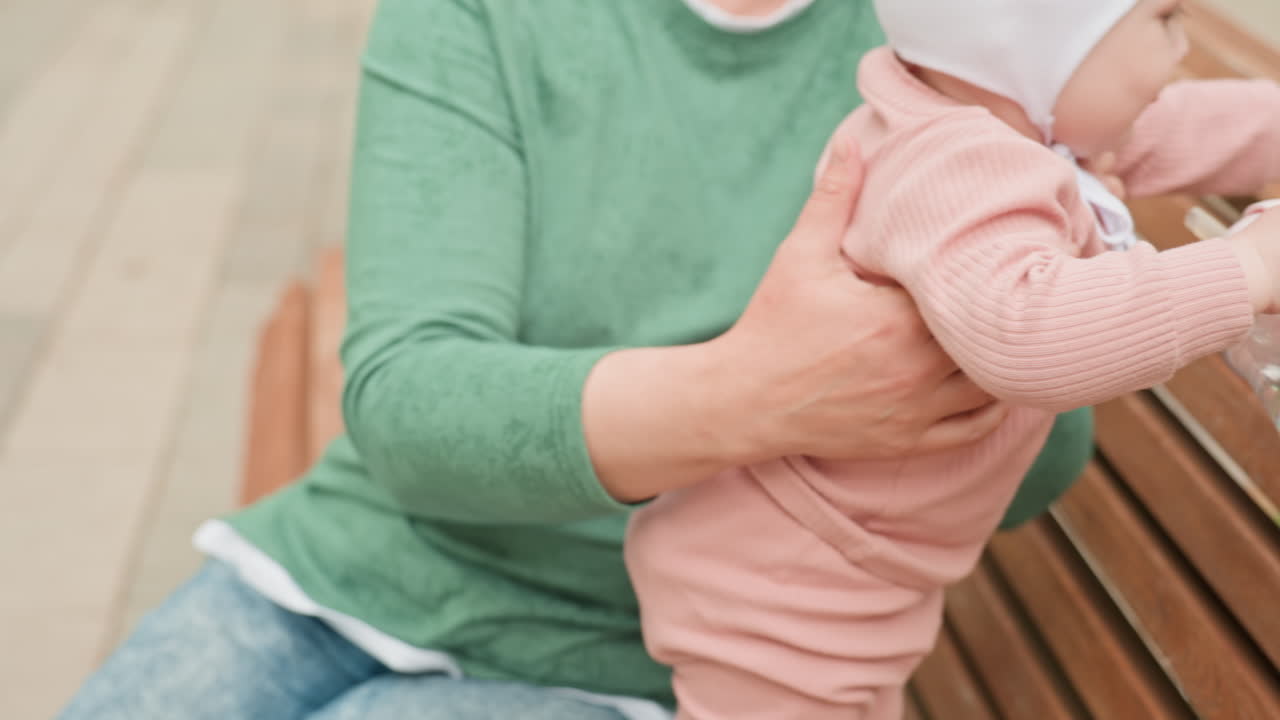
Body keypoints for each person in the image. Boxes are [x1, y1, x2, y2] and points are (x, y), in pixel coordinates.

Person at [56, 1, 1097, 718]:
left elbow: (1027, 462)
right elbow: (408, 403)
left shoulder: (963, 40)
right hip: (365, 565)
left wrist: (1059, 248)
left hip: (673, 653)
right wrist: (756, 394)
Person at [624, 0, 1280, 718]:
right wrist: (1249, 266)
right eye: (1164, 16)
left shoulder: (1007, 121)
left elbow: (1194, 125)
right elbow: (1031, 334)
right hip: (789, 588)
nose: (1181, 47)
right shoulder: (956, 168)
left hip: (837, 568)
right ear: (1032, 44)